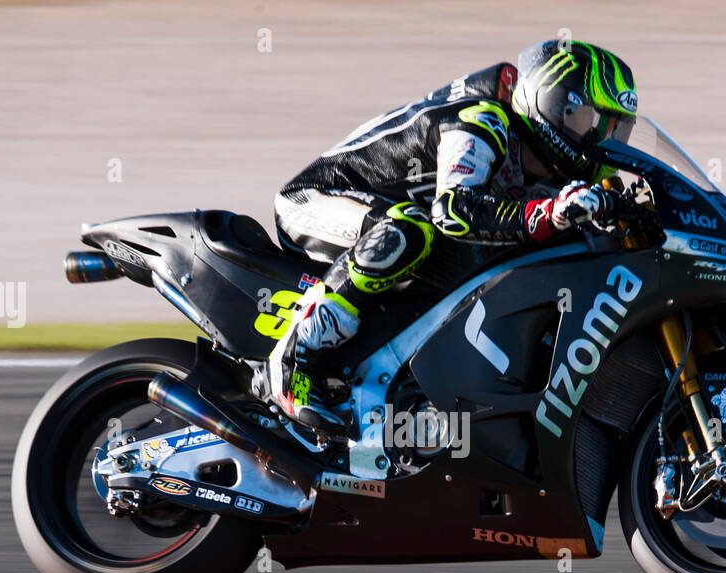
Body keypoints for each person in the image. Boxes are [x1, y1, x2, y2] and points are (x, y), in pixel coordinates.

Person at [270, 39, 662, 434]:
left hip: (380, 217)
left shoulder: (552, 164)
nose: (600, 140)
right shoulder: (482, 118)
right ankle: (294, 360)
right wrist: (548, 213)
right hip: (314, 201)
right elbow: (453, 211)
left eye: (615, 131)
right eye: (591, 124)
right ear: (553, 104)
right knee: (410, 230)